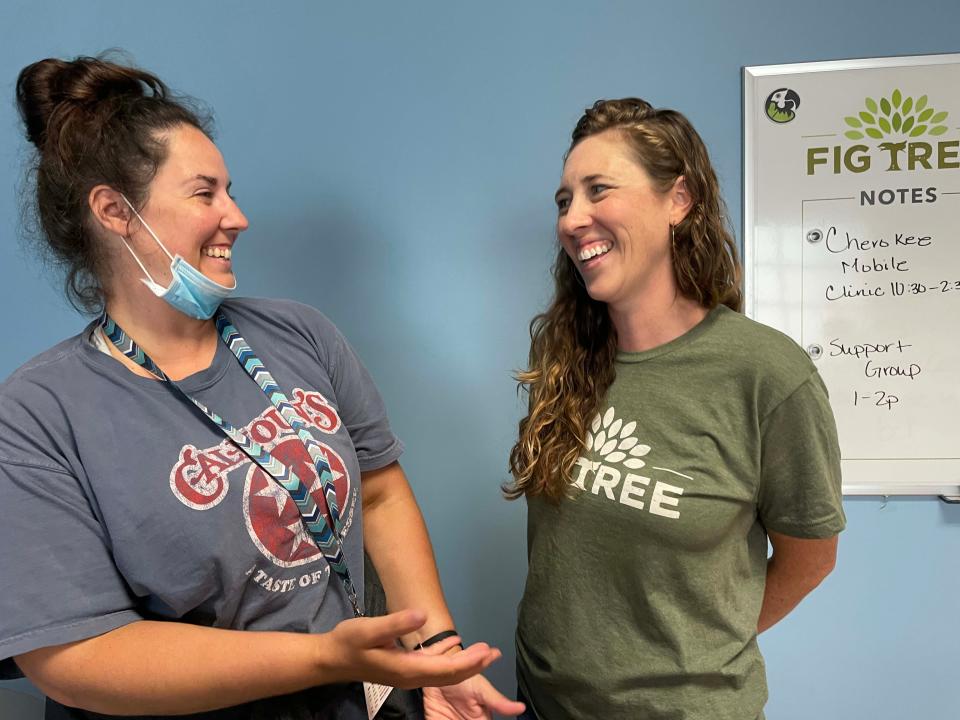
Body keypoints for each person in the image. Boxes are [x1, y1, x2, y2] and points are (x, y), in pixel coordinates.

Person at [0, 55, 524, 720]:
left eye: (231, 190)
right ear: (115, 211)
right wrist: (324, 658)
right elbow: (77, 660)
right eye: (204, 193)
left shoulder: (299, 335)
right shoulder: (37, 414)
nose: (237, 216)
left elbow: (383, 490)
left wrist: (436, 651)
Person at [506, 98, 845, 720]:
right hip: (541, 703)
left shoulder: (768, 375)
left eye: (598, 190)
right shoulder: (561, 354)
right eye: (563, 200)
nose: (572, 218)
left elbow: (811, 558)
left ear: (678, 201)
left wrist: (694, 657)